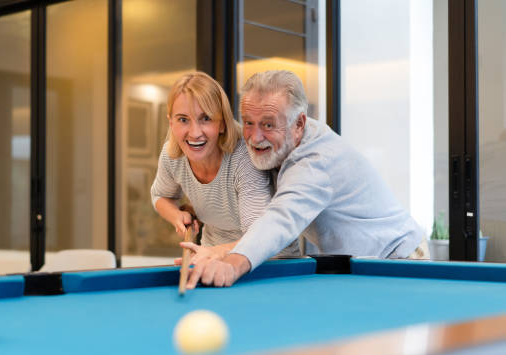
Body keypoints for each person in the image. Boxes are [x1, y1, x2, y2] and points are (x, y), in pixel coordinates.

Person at [181, 70, 428, 289]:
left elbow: (281, 219)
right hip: (359, 265)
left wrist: (232, 264)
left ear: (299, 123)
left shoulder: (316, 161)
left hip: (398, 260)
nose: (255, 137)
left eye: (268, 125)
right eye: (248, 123)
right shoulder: (280, 145)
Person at [150, 71, 300, 261]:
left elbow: (259, 238)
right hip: (212, 256)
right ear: (171, 122)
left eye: (206, 118)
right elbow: (160, 196)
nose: (195, 133)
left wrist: (213, 254)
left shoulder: (243, 157)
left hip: (268, 262)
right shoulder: (172, 155)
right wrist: (175, 215)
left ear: (222, 123)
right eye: (183, 119)